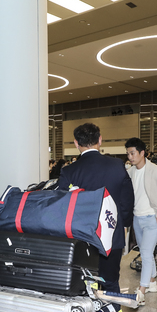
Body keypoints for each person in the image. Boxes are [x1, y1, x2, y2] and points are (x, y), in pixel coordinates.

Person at [58, 123, 134, 292]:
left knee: (83, 282)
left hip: (80, 237)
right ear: (100, 140)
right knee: (111, 281)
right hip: (111, 234)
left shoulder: (69, 171)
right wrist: (125, 224)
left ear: (76, 143)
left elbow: (61, 205)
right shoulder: (117, 165)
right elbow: (127, 199)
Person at [125, 138, 157, 306]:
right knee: (145, 252)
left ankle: (142, 290)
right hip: (137, 218)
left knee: (146, 254)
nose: (130, 157)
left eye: (132, 153)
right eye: (128, 154)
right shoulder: (131, 172)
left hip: (152, 219)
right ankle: (152, 282)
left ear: (142, 153)